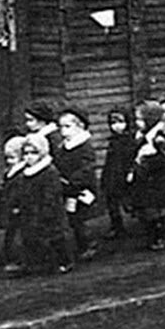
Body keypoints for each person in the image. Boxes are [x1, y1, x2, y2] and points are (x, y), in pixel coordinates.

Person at [128, 101, 165, 251]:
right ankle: (155, 236)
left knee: (158, 212)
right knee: (149, 211)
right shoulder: (143, 136)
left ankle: (162, 237)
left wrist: (149, 160)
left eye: (140, 119)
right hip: (148, 181)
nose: (137, 123)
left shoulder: (159, 138)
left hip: (159, 181)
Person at [17, 132, 72, 275]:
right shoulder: (25, 173)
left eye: (33, 153)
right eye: (26, 153)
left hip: (48, 210)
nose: (29, 157)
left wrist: (47, 209)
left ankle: (63, 261)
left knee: (54, 236)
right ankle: (37, 262)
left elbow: (52, 194)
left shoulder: (49, 172)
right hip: (31, 210)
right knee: (32, 236)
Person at [55, 107, 98, 261]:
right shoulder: (63, 147)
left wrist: (74, 181)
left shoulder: (84, 147)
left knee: (80, 217)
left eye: (68, 127)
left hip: (81, 187)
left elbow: (87, 168)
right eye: (61, 127)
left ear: (80, 126)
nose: (63, 131)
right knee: (72, 216)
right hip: (68, 187)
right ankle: (81, 244)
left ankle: (88, 244)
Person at [100, 108, 136, 240]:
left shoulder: (130, 140)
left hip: (124, 174)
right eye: (113, 123)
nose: (116, 126)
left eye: (120, 122)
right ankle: (117, 226)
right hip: (113, 175)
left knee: (129, 201)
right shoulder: (113, 141)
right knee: (111, 201)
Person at [0, 135, 26, 272]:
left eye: (12, 158)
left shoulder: (22, 174)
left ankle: (18, 260)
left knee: (18, 236)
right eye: (7, 158)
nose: (9, 161)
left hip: (17, 209)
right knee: (11, 235)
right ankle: (12, 258)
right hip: (9, 208)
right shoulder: (10, 173)